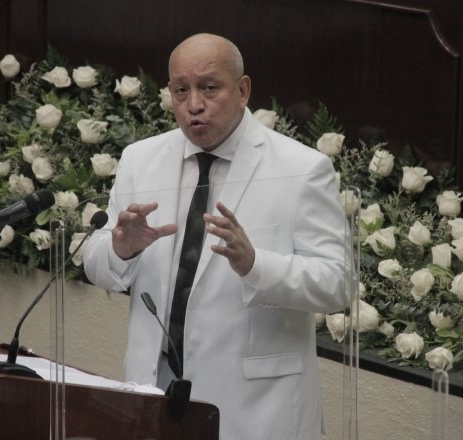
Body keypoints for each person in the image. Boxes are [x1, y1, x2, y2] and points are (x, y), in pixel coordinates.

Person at [83, 33, 354, 439]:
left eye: (209, 88)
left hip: (256, 412)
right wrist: (119, 250)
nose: (194, 104)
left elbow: (338, 285)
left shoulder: (302, 169)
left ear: (242, 90)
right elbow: (96, 264)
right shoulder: (141, 159)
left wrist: (256, 265)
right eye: (181, 90)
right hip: (153, 395)